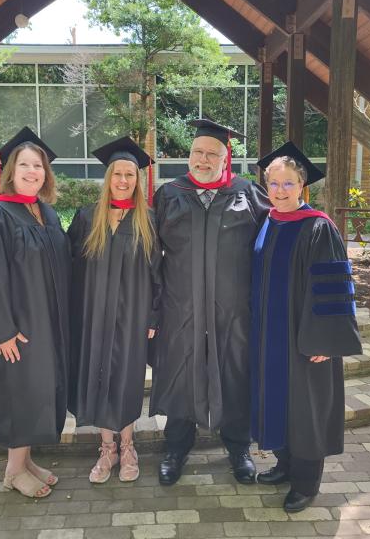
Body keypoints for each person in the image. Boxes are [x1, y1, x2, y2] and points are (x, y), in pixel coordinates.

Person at [149, 119, 270, 485]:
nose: (203, 160)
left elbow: (270, 251)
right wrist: (154, 309)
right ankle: (176, 447)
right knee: (181, 374)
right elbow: (152, 257)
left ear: (225, 157)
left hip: (233, 312)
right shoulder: (169, 194)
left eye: (211, 154)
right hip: (181, 308)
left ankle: (238, 448)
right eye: (197, 152)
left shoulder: (248, 193)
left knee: (233, 374)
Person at [250, 141, 362, 512]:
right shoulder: (268, 222)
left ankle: (307, 481)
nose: (280, 192)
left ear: (303, 188)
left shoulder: (318, 228)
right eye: (274, 184)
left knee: (306, 409)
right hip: (270, 337)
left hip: (305, 340)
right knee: (279, 402)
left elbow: (333, 287)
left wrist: (327, 341)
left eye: (288, 184)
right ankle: (285, 464)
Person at [0, 127, 71, 499]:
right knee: (20, 393)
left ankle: (25, 461)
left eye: (37, 166)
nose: (31, 171)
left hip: (48, 323)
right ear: (10, 170)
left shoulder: (46, 213)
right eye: (24, 165)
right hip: (19, 327)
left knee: (40, 391)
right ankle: (13, 471)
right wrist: (2, 330)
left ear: (46, 173)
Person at [67, 137, 161, 484]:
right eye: (117, 174)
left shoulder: (147, 219)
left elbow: (157, 274)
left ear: (138, 180)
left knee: (126, 380)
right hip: (93, 318)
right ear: (108, 178)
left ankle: (128, 446)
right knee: (99, 377)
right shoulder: (86, 217)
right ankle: (107, 449)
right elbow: (69, 269)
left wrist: (153, 316)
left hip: (132, 318)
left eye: (130, 175)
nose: (123, 180)